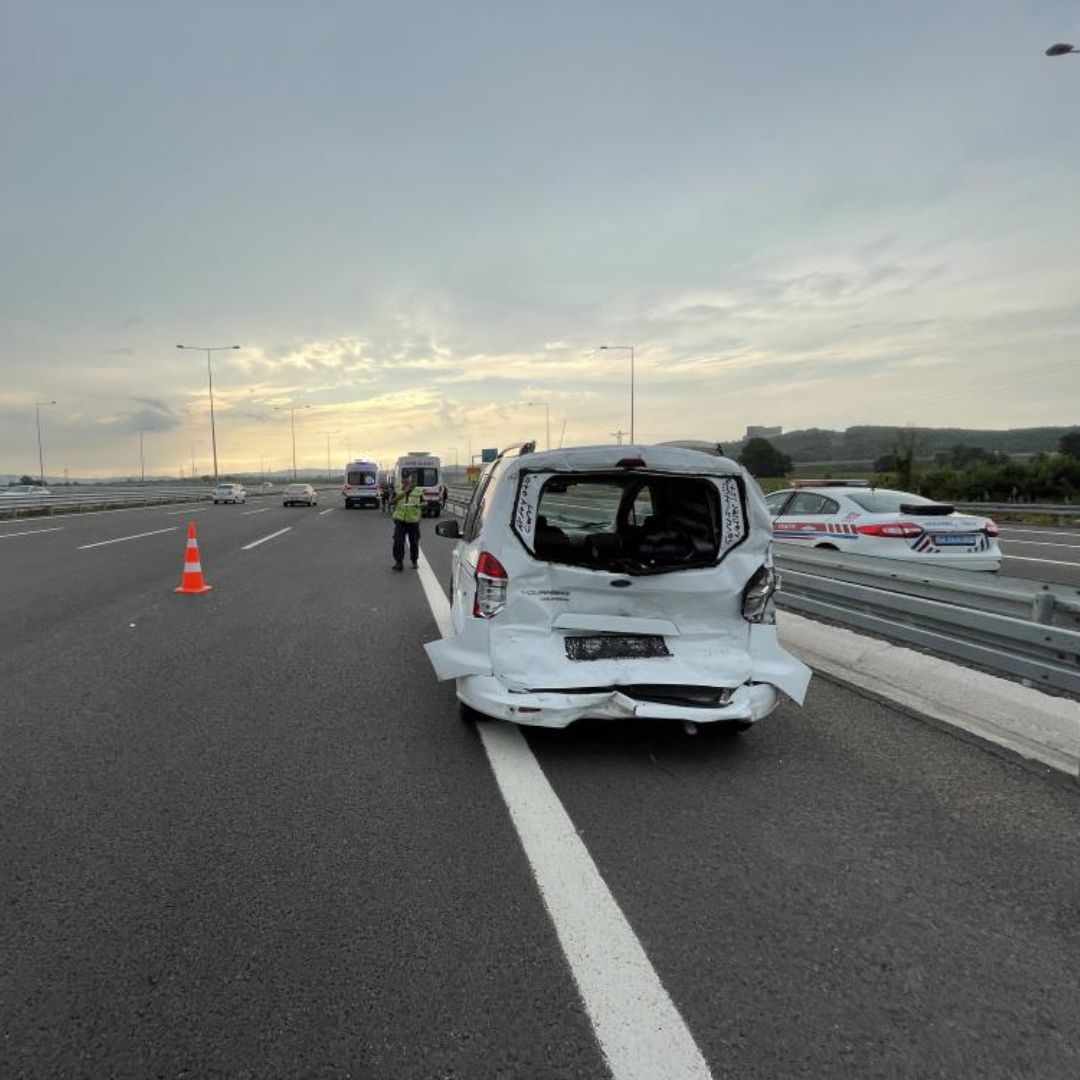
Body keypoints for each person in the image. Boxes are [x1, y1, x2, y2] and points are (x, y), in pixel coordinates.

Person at [390, 471, 424, 570]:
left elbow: (425, 502)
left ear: (411, 478)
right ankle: (398, 562)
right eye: (404, 478)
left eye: (407, 478)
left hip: (413, 521)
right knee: (398, 542)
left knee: (414, 542)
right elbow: (390, 502)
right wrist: (401, 495)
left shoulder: (419, 490)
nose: (405, 480)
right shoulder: (397, 490)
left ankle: (414, 560)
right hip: (400, 521)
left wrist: (419, 505)